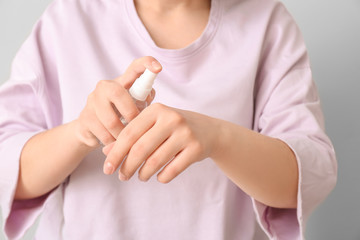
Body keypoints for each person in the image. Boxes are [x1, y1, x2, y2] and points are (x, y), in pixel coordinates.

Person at [0, 0, 337, 239]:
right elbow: (9, 169)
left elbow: (308, 175)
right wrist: (80, 132)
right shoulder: (68, 20)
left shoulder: (267, 23)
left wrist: (217, 138)